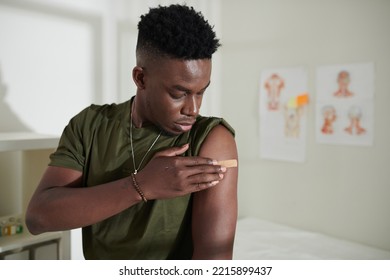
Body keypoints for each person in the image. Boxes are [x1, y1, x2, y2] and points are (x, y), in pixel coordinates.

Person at [25, 4, 238, 260]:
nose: (193, 109)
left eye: (201, 92)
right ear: (141, 78)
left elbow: (214, 260)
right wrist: (142, 186)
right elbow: (38, 217)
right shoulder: (90, 125)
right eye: (178, 93)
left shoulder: (212, 139)